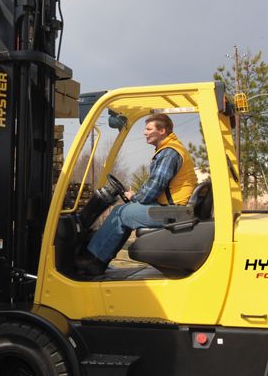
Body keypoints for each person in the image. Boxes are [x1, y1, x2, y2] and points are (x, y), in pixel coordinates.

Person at [75, 113, 198, 276]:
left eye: (148, 129)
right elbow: (156, 186)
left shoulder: (169, 153)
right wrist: (136, 197)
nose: (144, 132)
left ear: (162, 131)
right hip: (176, 209)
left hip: (175, 211)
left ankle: (93, 260)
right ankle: (100, 257)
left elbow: (156, 186)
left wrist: (135, 197)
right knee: (126, 210)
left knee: (121, 213)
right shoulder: (170, 149)